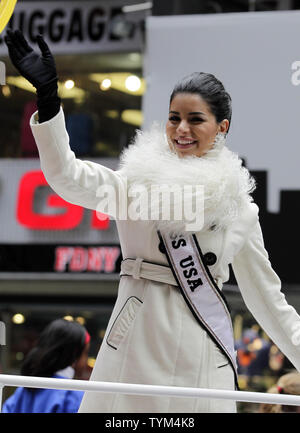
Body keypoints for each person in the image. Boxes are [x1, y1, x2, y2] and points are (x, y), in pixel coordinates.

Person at [4, 29, 300, 414]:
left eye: (196, 119)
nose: (181, 129)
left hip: (201, 359)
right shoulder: (135, 184)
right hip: (132, 353)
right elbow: (67, 177)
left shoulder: (238, 209)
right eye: (174, 117)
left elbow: (269, 301)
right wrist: (48, 98)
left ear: (222, 127)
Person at [2, 318, 90, 413]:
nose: (87, 359)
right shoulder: (74, 396)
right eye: (86, 353)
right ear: (74, 356)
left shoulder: (22, 391)